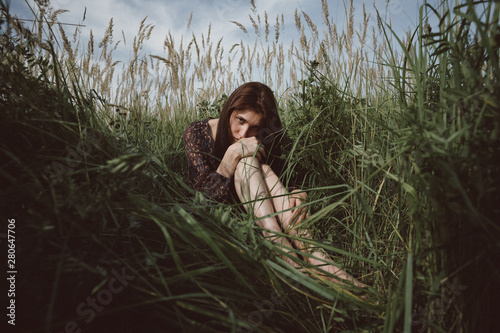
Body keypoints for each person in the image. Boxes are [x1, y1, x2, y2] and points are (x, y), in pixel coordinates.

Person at [183, 82, 365, 288]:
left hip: (257, 202)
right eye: (240, 120)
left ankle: (315, 259)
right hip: (215, 214)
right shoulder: (198, 133)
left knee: (262, 168)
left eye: (256, 127)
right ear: (229, 110)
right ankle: (288, 251)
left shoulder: (265, 136)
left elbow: (291, 170)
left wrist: (298, 191)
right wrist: (231, 157)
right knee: (247, 162)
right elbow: (203, 198)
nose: (243, 133)